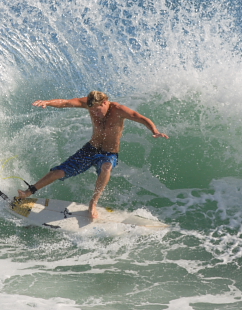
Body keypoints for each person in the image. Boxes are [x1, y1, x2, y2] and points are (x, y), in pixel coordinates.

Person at [18, 91, 169, 219]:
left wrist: (154, 130)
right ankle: (28, 192)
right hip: (90, 149)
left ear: (105, 102)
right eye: (92, 110)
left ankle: (93, 203)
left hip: (109, 153)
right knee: (58, 172)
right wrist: (48, 102)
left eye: (97, 109)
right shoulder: (89, 103)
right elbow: (65, 103)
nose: (94, 113)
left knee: (106, 168)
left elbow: (140, 117)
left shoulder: (118, 110)